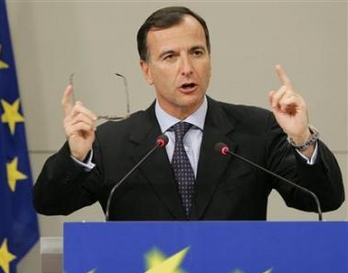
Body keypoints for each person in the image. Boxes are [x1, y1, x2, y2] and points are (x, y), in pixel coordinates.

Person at [33, 6, 344, 220]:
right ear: (146, 71)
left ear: (209, 58)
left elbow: (325, 200)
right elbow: (49, 203)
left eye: (197, 52)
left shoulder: (256, 129)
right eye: (170, 56)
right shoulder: (109, 142)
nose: (187, 68)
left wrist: (302, 138)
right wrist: (76, 156)